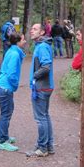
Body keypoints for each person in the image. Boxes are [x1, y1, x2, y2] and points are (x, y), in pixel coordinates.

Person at [0, 31, 27, 152]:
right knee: (6, 113)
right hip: (5, 87)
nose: (25, 41)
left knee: (8, 111)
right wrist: (14, 86)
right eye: (23, 39)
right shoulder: (14, 54)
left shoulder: (12, 50)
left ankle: (5, 136)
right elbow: (12, 73)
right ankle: (3, 141)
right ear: (18, 41)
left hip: (3, 86)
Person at [29, 22, 54, 156]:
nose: (31, 31)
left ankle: (42, 148)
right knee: (45, 116)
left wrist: (34, 76)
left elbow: (46, 67)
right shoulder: (41, 45)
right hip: (45, 87)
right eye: (31, 28)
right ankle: (49, 146)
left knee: (40, 118)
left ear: (42, 32)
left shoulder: (42, 47)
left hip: (41, 87)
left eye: (35, 29)